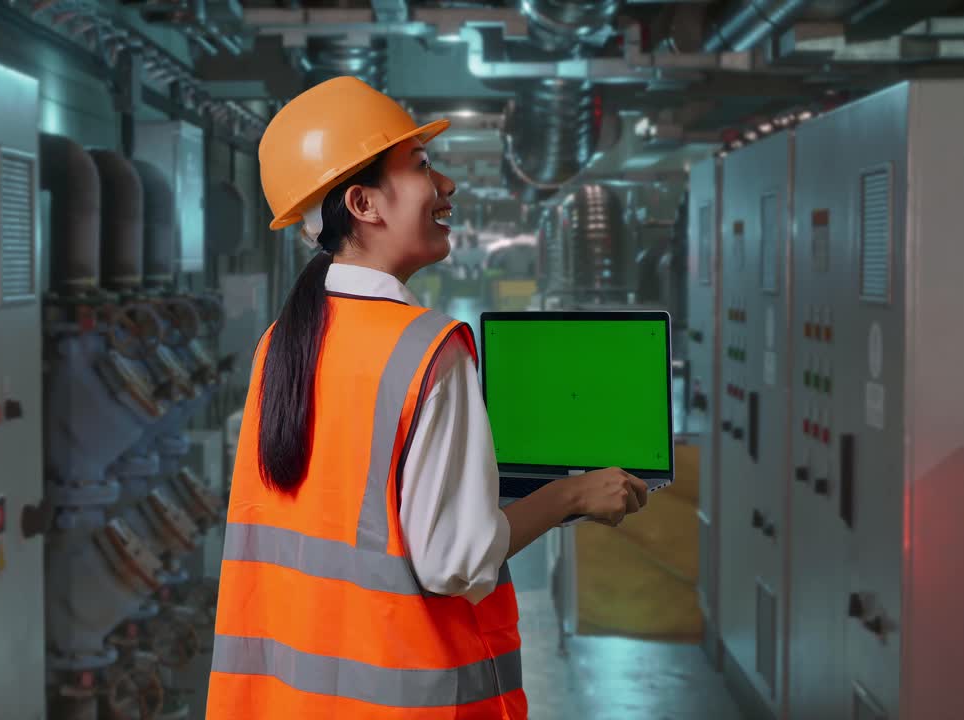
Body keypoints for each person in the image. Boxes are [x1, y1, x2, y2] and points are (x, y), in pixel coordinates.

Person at [205, 76, 648, 719]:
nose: (447, 185)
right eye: (420, 166)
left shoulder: (282, 343)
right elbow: (456, 563)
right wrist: (571, 495)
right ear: (364, 203)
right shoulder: (427, 351)